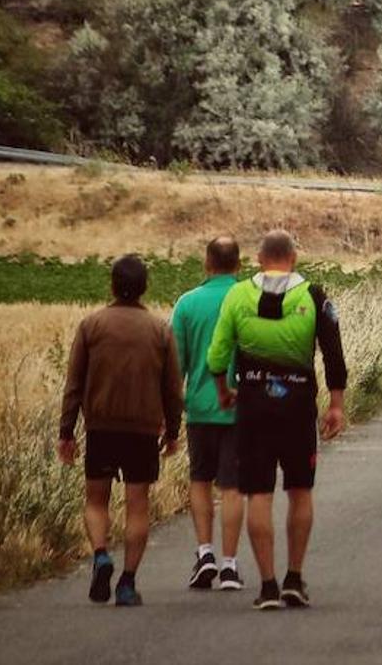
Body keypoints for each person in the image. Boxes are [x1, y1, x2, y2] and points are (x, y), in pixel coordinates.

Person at [207, 230, 347, 611]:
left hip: (252, 402)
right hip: (298, 403)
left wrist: (223, 389)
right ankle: (294, 578)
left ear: (257, 257)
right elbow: (333, 353)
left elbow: (217, 356)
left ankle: (267, 585)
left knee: (259, 494)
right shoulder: (314, 296)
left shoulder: (238, 295)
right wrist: (336, 404)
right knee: (300, 490)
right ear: (295, 257)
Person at [58, 255, 185, 607]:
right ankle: (127, 583)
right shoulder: (160, 330)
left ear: (111, 284)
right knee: (137, 506)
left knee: (96, 500)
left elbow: (74, 384)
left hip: (101, 428)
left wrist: (66, 431)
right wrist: (172, 430)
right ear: (145, 287)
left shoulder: (91, 326)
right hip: (143, 431)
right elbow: (172, 389)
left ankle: (100, 555)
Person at [171, 236, 245, 591]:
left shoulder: (186, 304)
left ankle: (205, 554)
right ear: (240, 265)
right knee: (232, 487)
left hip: (199, 408)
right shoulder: (248, 299)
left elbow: (175, 367)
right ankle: (230, 565)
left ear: (206, 263)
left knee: (200, 479)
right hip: (240, 409)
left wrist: (172, 408)